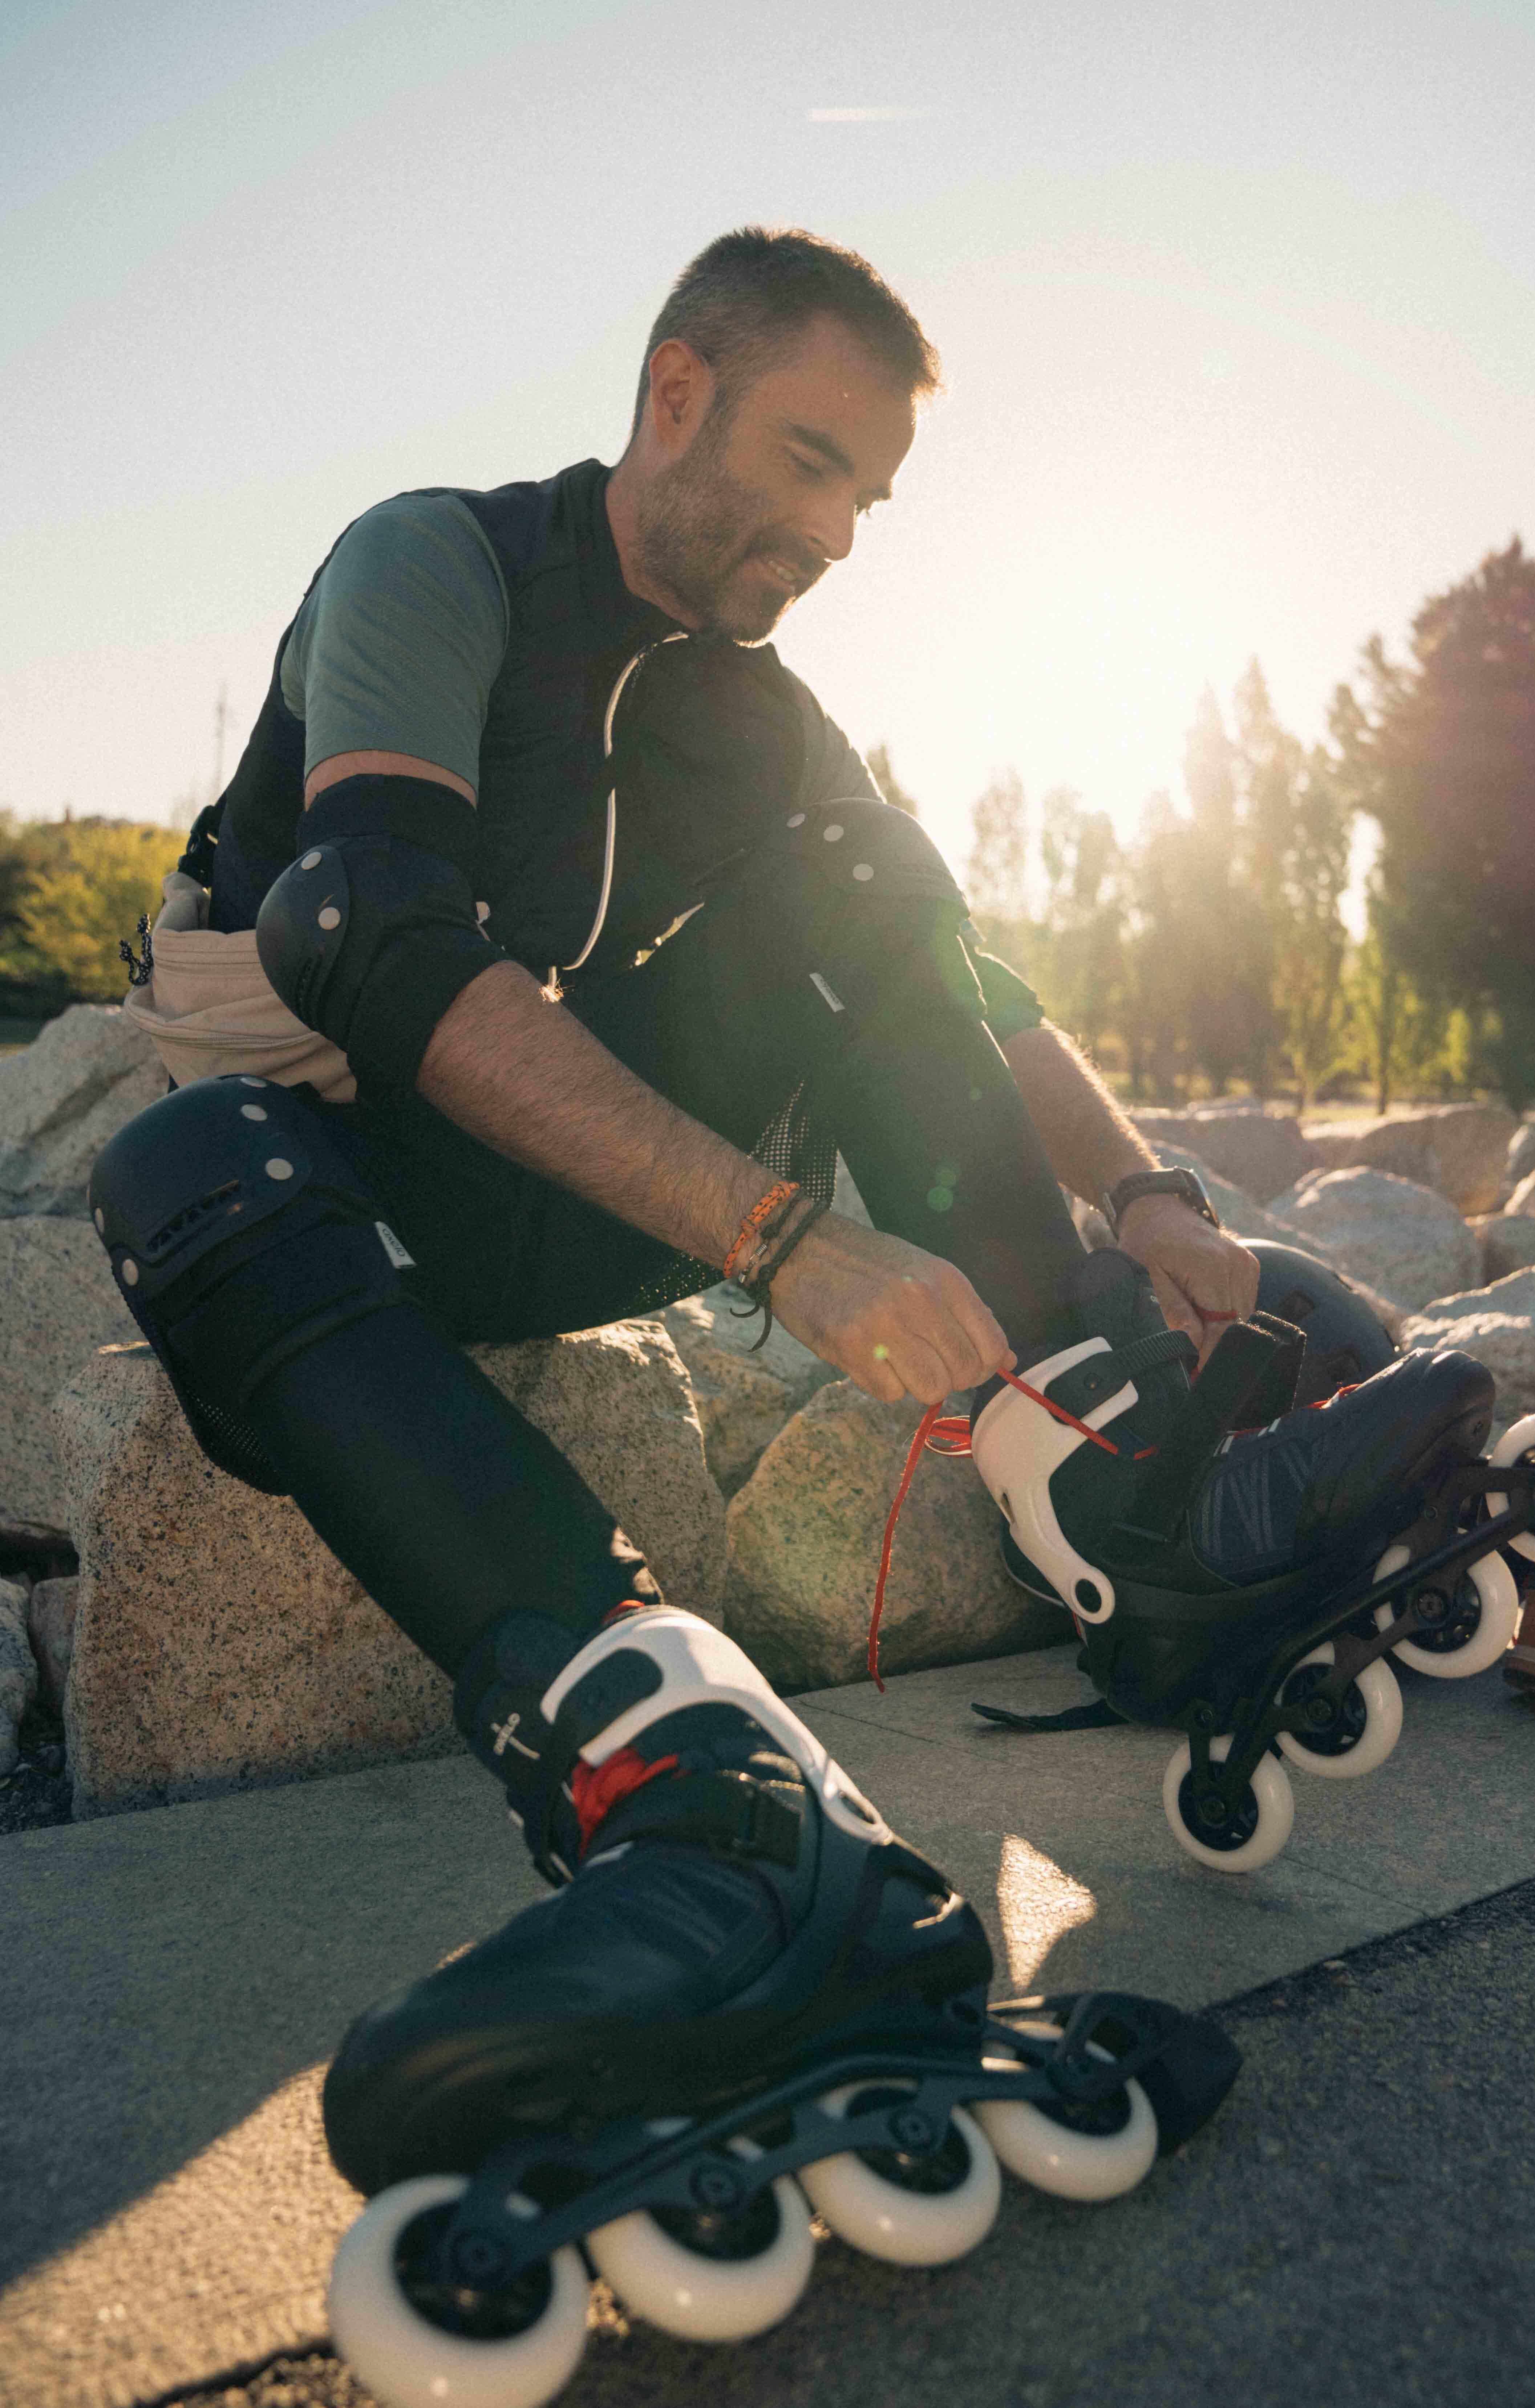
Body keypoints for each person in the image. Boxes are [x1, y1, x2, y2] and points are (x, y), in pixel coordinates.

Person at [89, 229, 1250, 2240]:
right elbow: (372, 938)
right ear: (673, 391)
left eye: (867, 497)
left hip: (597, 1192)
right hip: (363, 1181)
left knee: (878, 924)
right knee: (194, 1158)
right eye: (807, 461)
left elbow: (962, 976)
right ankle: (705, 1811)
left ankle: (1132, 1502)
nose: (836, 531)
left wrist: (1144, 1194)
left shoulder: (769, 721)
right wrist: (791, 1240)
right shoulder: (441, 563)